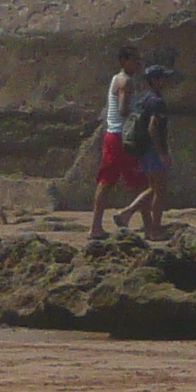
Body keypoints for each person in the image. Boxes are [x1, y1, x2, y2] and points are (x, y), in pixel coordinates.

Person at [109, 61, 177, 241]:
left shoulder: (144, 100)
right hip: (154, 150)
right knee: (159, 191)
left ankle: (127, 213)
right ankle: (153, 229)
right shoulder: (157, 102)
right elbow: (153, 127)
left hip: (144, 150)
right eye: (163, 78)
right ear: (155, 81)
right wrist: (162, 152)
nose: (167, 81)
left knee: (154, 188)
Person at [87, 42, 140, 243]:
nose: (138, 64)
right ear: (124, 61)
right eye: (134, 60)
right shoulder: (126, 82)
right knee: (139, 181)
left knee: (107, 181)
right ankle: (148, 224)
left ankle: (96, 226)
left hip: (113, 134)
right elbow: (123, 109)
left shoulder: (116, 79)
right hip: (122, 136)